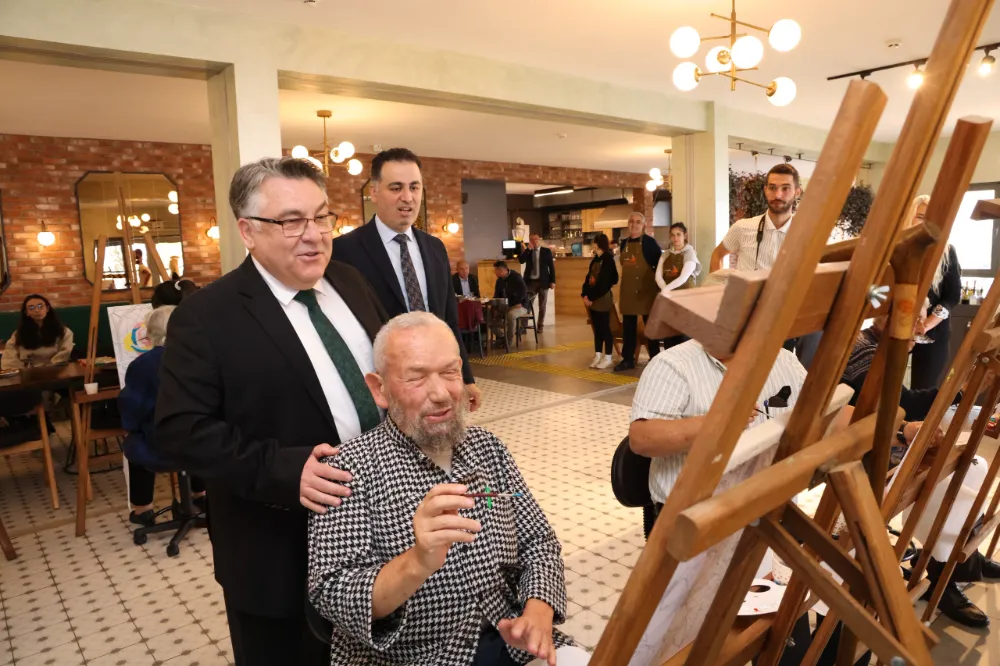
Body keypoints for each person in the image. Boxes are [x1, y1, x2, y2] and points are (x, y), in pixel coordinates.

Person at [155, 156, 389, 665]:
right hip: (279, 549)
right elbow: (180, 430)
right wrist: (281, 469)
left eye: (322, 216)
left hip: (381, 532)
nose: (315, 235)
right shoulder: (206, 316)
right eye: (291, 221)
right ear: (248, 231)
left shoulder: (349, 281)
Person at [308, 312, 590, 666]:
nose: (441, 394)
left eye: (449, 372)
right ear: (379, 389)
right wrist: (417, 561)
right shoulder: (346, 469)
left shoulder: (488, 448)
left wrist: (538, 611)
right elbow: (334, 593)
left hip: (510, 641)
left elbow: (539, 541)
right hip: (412, 657)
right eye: (416, 377)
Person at [840, 320, 1000, 628]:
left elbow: (903, 406)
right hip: (863, 459)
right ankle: (941, 570)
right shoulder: (864, 350)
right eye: (914, 315)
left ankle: (961, 560)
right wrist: (962, 390)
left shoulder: (883, 346)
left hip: (883, 444)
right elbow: (904, 405)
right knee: (944, 481)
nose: (921, 324)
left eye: (923, 315)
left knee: (970, 466)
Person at [333, 148, 482, 411]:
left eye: (414, 187)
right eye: (396, 188)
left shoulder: (435, 248)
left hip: (435, 384)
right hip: (380, 388)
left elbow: (448, 320)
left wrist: (466, 378)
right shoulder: (345, 250)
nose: (407, 197)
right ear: (374, 192)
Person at [710, 164, 822, 367]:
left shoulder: (808, 234)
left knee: (781, 372)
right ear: (765, 190)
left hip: (785, 318)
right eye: (772, 187)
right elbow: (718, 254)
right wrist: (718, 292)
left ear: (797, 191)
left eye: (785, 188)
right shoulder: (743, 227)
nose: (777, 194)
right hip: (746, 318)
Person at [119, 305, 207, 526]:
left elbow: (133, 410)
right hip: (205, 442)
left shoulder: (142, 366)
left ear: (150, 332)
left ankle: (143, 510)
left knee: (136, 441)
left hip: (160, 446)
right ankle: (201, 496)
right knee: (198, 429)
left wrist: (134, 427)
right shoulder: (203, 358)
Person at [908, 195, 962, 389]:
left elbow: (952, 296)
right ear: (910, 218)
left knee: (923, 389)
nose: (925, 223)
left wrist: (927, 324)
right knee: (885, 389)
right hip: (898, 329)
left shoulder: (948, 252)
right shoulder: (898, 248)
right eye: (920, 216)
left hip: (934, 334)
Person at [615, 212, 662, 371]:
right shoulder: (624, 243)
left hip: (646, 291)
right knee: (628, 328)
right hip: (628, 291)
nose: (634, 225)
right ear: (628, 224)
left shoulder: (649, 243)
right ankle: (627, 359)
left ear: (643, 225)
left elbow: (659, 266)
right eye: (631, 221)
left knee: (650, 327)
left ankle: (655, 358)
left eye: (637, 222)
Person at [654, 222, 701, 351]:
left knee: (684, 340)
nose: (675, 238)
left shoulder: (690, 253)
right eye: (673, 235)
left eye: (678, 234)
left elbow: (683, 278)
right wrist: (665, 291)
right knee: (669, 339)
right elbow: (658, 276)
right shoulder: (665, 254)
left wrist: (665, 290)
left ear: (685, 235)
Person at [1, 294, 74, 370]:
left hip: (54, 371)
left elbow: (64, 353)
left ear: (47, 308)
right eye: (31, 308)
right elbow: (10, 356)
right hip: (27, 372)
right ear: (26, 312)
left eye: (40, 306)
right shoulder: (18, 334)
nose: (36, 310)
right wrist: (19, 372)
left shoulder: (63, 331)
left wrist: (48, 369)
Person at [582, 233, 618, 370]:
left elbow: (604, 283)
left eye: (594, 243)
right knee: (597, 329)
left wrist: (591, 297)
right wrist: (585, 294)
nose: (593, 245)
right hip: (593, 298)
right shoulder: (595, 259)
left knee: (605, 328)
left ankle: (608, 357)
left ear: (598, 244)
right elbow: (588, 278)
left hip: (602, 298)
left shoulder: (608, 259)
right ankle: (597, 355)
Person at [518, 233, 556, 333]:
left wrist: (553, 281)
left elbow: (551, 267)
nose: (534, 241)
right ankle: (524, 327)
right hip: (530, 282)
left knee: (542, 306)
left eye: (535, 239)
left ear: (539, 239)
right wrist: (527, 249)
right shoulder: (528, 251)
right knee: (527, 304)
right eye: (531, 239)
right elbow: (521, 261)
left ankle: (540, 326)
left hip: (544, 282)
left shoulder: (546, 251)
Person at [493, 260, 529, 348]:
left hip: (520, 305)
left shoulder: (516, 277)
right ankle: (502, 336)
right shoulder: (499, 281)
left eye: (496, 270)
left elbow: (524, 292)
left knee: (511, 315)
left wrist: (519, 302)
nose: (495, 272)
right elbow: (496, 296)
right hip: (505, 305)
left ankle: (509, 340)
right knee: (489, 315)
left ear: (502, 270)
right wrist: (494, 306)